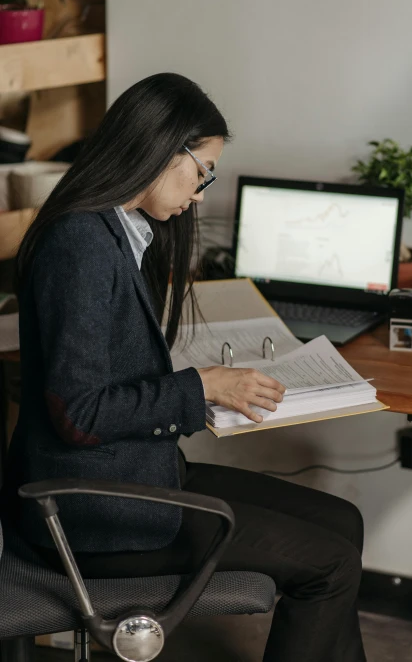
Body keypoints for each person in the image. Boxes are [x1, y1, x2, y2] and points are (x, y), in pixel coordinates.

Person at [3, 73, 367, 662]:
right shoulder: (81, 246)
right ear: (158, 151)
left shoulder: (117, 232)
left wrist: (194, 385)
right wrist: (202, 387)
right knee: (331, 563)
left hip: (138, 476)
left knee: (342, 521)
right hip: (92, 514)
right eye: (202, 172)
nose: (201, 193)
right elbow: (79, 411)